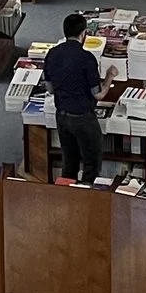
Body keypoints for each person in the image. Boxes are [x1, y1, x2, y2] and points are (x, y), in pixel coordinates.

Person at [42, 12, 105, 184]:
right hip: (83, 117)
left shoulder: (52, 54)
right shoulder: (86, 58)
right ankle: (86, 197)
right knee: (91, 163)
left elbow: (50, 88)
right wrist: (110, 77)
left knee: (69, 162)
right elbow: (98, 93)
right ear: (83, 33)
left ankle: (67, 197)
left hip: (62, 115)